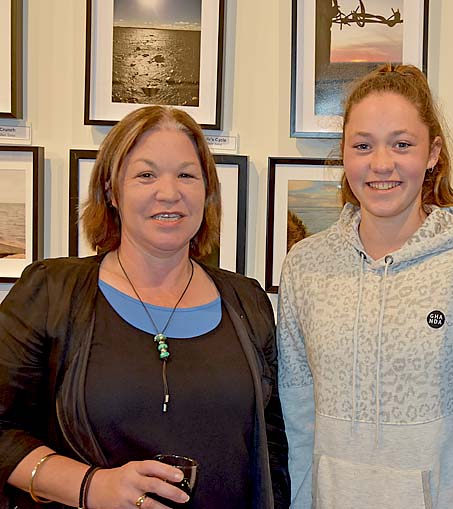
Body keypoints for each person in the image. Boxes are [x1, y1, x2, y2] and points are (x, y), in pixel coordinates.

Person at [0, 106, 288, 508]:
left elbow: (271, 451)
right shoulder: (50, 292)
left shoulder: (247, 302)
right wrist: (90, 487)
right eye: (146, 175)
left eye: (186, 175)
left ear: (207, 192)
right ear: (111, 192)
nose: (169, 192)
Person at [277, 64, 453, 509]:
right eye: (362, 145)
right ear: (344, 154)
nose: (381, 164)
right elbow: (297, 418)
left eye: (402, 144)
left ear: (432, 154)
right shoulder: (305, 265)